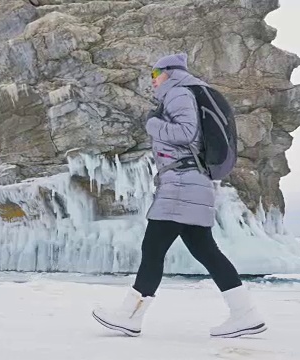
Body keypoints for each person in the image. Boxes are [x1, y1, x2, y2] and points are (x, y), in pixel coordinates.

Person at [91, 53, 267, 338]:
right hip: (191, 183)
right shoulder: (184, 93)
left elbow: (186, 132)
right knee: (206, 252)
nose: (152, 80)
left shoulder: (178, 93)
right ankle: (246, 314)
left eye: (154, 74)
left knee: (153, 250)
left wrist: (152, 124)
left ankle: (129, 316)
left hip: (181, 185)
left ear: (169, 72)